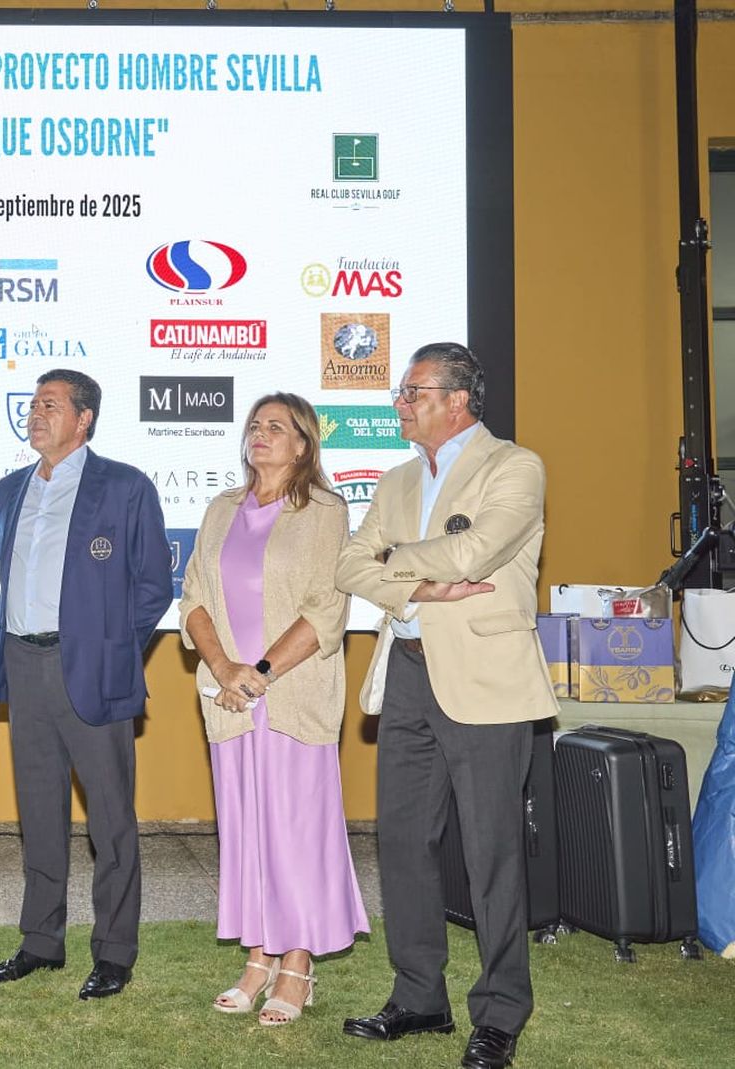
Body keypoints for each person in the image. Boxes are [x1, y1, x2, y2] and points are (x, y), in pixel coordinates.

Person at [335, 343, 556, 1069]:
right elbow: (347, 564)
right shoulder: (397, 479)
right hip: (405, 670)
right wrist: (419, 588)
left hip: (486, 681)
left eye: (413, 391)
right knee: (400, 842)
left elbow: (475, 555)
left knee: (491, 853)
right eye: (402, 392)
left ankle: (500, 1013)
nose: (400, 403)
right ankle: (419, 995)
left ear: (457, 398)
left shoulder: (514, 467)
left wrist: (393, 559)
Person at [0, 369, 172, 1000]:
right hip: (24, 667)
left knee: (111, 822)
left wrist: (113, 654)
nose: (35, 414)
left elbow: (151, 588)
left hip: (92, 672)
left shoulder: (124, 487)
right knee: (39, 815)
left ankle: (114, 953)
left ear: (83, 417)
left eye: (50, 405)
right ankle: (40, 942)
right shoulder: (9, 488)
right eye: (33, 405)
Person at [176, 392, 367, 1026]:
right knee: (245, 832)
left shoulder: (325, 512)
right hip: (228, 700)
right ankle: (258, 958)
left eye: (276, 427)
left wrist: (257, 674)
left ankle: (298, 967)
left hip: (292, 698)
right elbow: (194, 600)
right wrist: (226, 671)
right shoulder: (221, 508)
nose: (261, 435)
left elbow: (325, 610)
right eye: (255, 426)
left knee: (296, 835)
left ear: (304, 444)